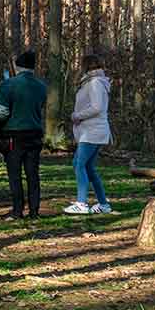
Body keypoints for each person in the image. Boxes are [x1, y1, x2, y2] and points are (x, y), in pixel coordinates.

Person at [0, 48, 48, 220]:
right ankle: (34, 211)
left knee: (15, 174)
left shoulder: (8, 85)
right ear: (32, 68)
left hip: (14, 136)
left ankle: (17, 211)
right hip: (35, 134)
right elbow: (40, 107)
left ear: (18, 67)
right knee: (33, 174)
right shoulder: (42, 86)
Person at [65, 51, 113, 215]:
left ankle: (81, 203)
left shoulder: (95, 83)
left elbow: (97, 107)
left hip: (93, 131)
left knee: (79, 164)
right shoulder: (94, 82)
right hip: (92, 130)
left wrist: (77, 115)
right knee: (88, 167)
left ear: (86, 66)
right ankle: (103, 204)